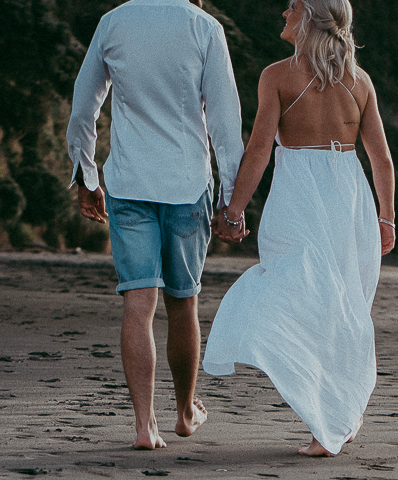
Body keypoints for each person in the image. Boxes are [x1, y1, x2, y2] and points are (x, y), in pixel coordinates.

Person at [203, 0, 395, 457]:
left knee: (307, 299)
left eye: (291, 6)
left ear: (309, 16)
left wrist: (233, 212)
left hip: (301, 200)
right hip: (350, 199)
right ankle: (337, 413)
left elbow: (258, 151)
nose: (282, 12)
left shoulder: (277, 76)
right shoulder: (359, 81)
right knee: (339, 308)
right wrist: (386, 216)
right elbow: (381, 160)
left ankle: (331, 417)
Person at [67, 0, 247, 451]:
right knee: (182, 302)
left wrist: (87, 175)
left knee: (138, 301)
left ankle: (145, 426)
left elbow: (82, 107)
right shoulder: (205, 28)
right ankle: (185, 413)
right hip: (187, 185)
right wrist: (232, 203)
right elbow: (226, 122)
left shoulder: (113, 21)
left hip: (129, 183)